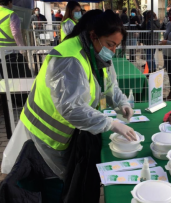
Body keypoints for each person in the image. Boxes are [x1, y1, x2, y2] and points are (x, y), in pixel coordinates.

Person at [18, 9, 136, 201]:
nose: (112, 51)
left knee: (67, 181)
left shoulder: (96, 52)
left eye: (117, 46)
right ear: (94, 36)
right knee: (57, 183)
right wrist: (111, 124)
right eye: (110, 44)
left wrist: (121, 102)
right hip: (46, 133)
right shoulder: (69, 59)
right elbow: (71, 108)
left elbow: (108, 84)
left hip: (66, 132)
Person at [0, 0, 31, 106]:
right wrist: (22, 48)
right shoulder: (11, 15)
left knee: (5, 79)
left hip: (0, 54)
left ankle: (9, 101)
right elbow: (16, 33)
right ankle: (21, 101)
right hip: (11, 53)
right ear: (9, 2)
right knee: (19, 78)